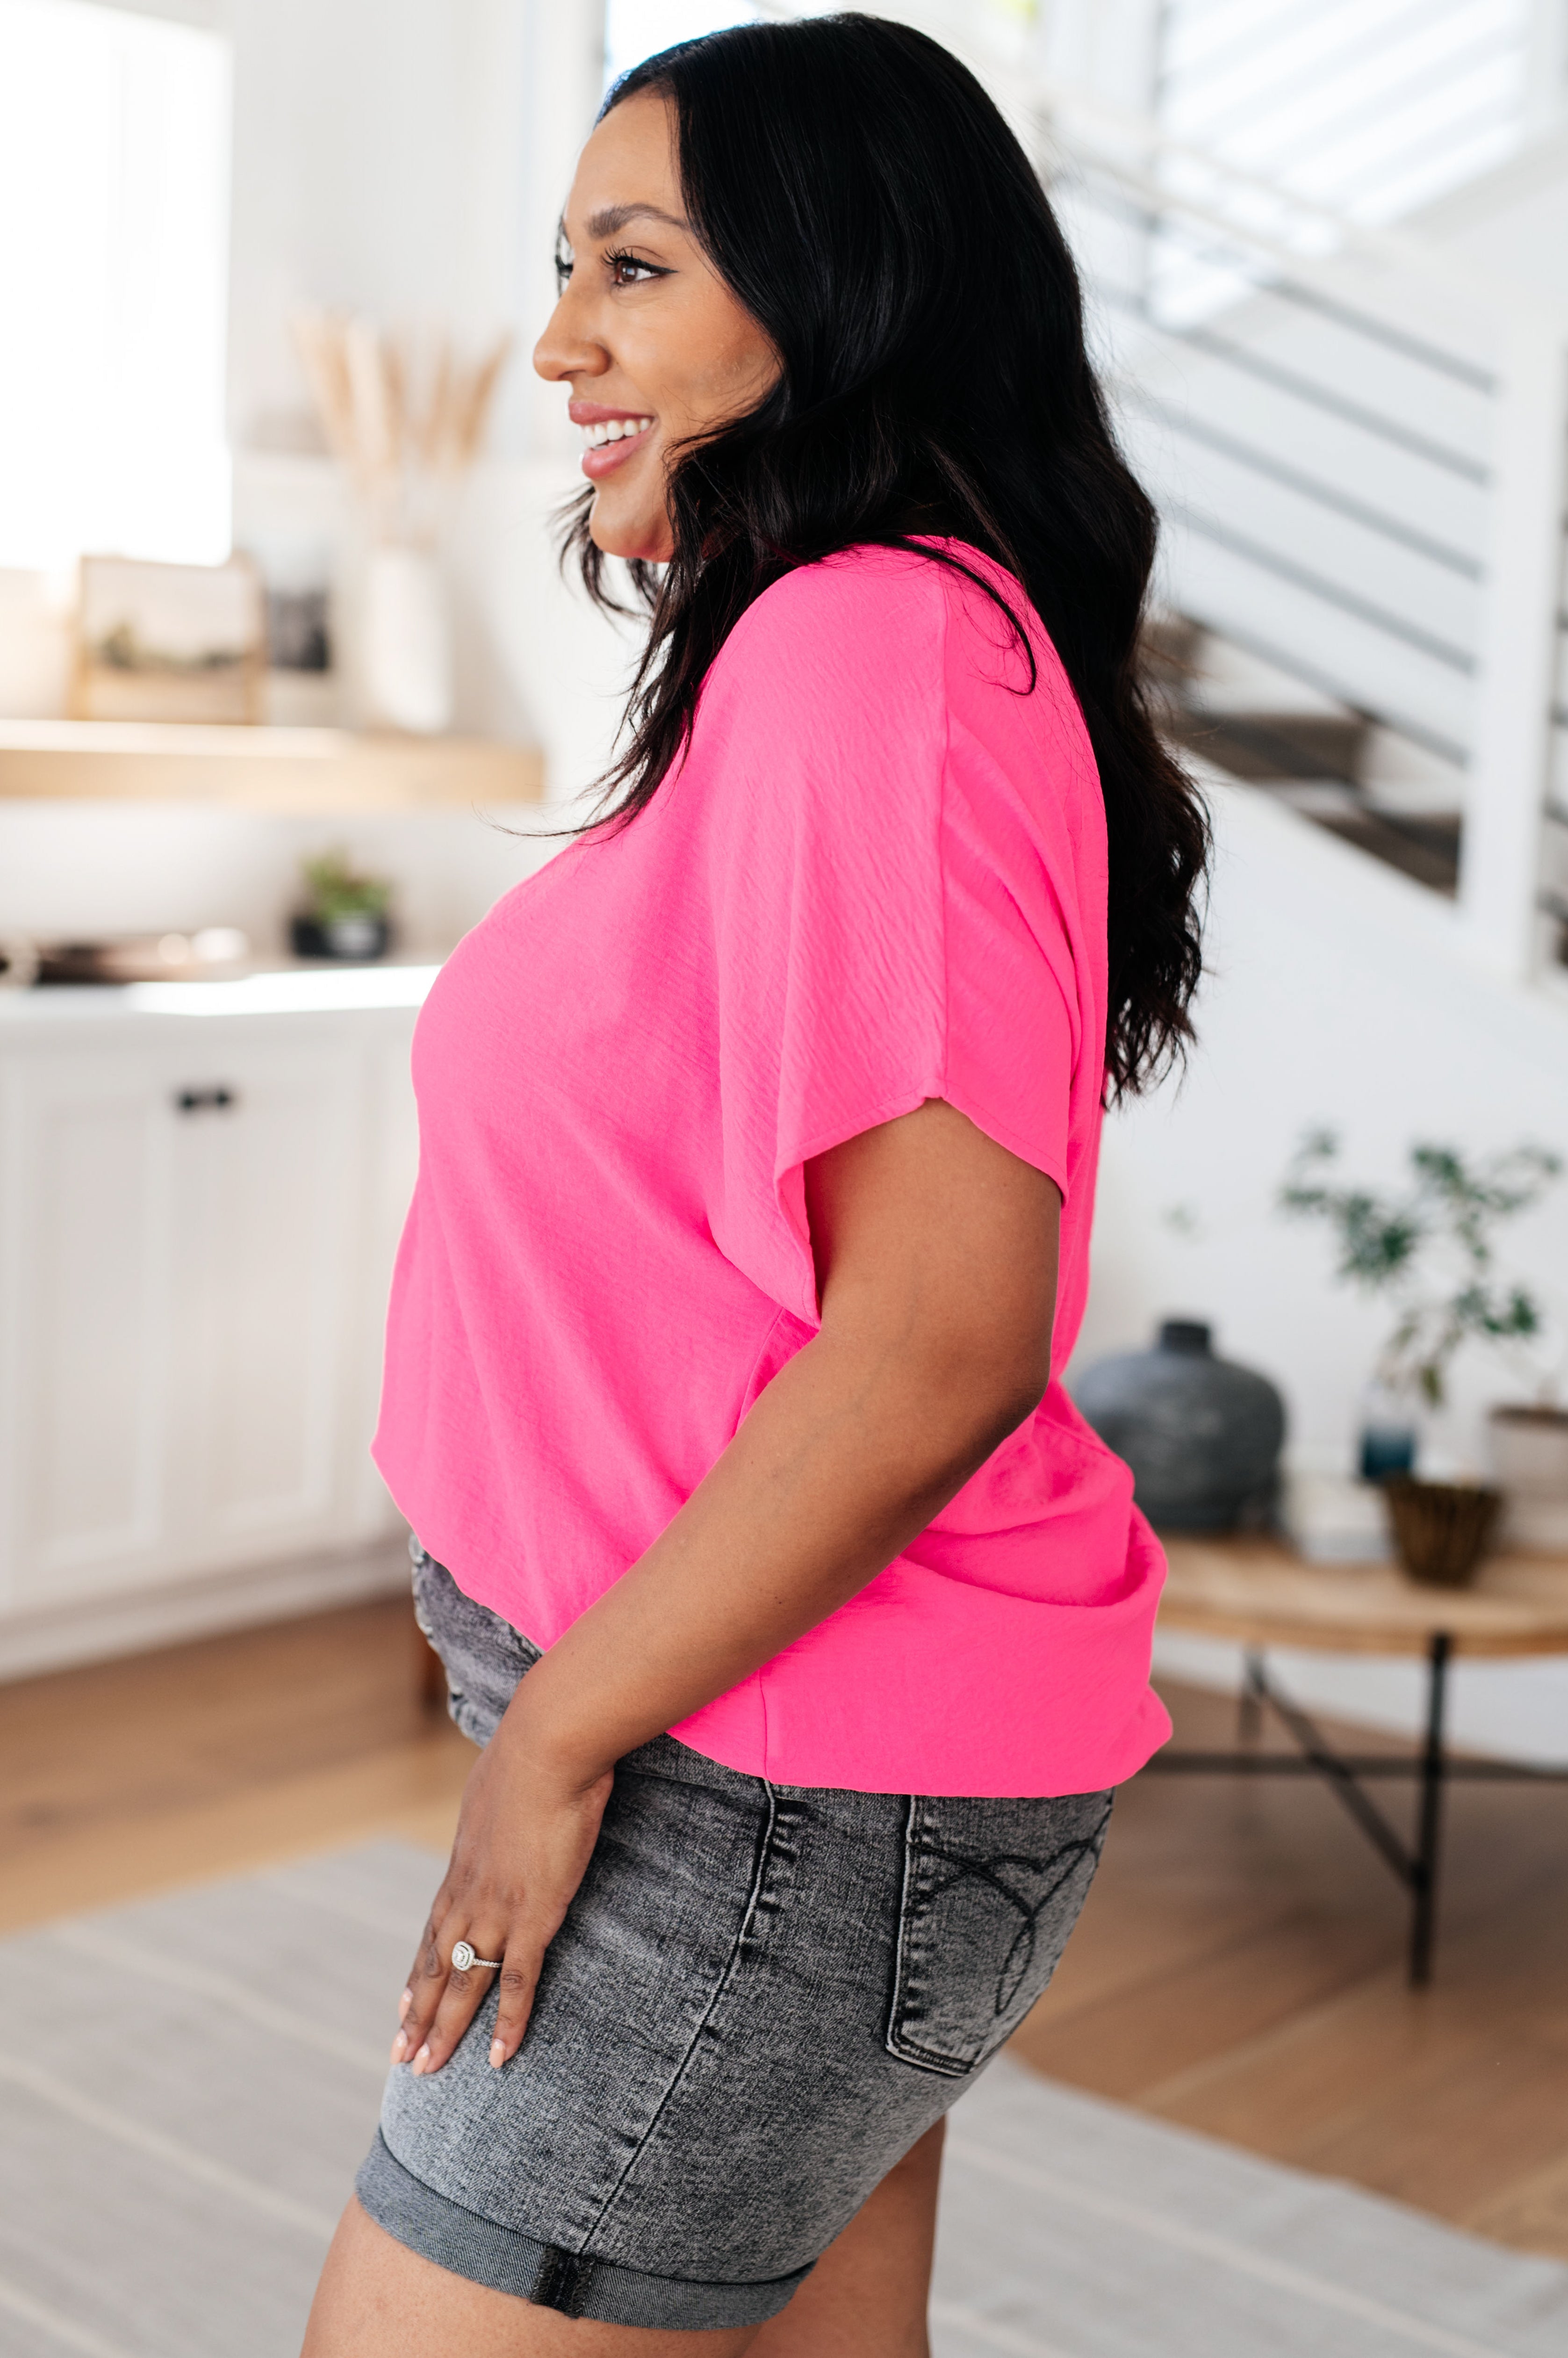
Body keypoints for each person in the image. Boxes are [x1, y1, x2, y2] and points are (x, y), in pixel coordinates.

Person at [303, 15, 1207, 2355]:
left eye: (632, 264)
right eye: (562, 261)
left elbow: (933, 1340)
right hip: (780, 1755)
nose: (557, 339)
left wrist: (552, 1739)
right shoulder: (875, 641)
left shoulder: (867, 643)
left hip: (744, 1777)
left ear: (838, 287)